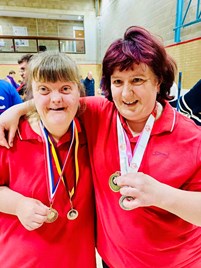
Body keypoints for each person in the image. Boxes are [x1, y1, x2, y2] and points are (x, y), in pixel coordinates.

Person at [1, 26, 201, 267]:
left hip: (175, 263)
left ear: (158, 81)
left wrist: (162, 195)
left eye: (137, 80)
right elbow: (60, 99)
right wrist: (17, 110)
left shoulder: (192, 137)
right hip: (111, 261)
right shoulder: (100, 113)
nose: (127, 93)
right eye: (118, 81)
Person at [0, 51, 96, 267]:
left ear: (78, 92)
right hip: (22, 261)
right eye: (44, 89)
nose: (56, 98)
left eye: (65, 89)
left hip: (78, 261)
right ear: (32, 93)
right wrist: (17, 205)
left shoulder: (92, 132)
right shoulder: (10, 136)